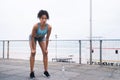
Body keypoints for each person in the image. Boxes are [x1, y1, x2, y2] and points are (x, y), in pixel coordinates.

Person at [29, 10, 52, 79]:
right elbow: (32, 37)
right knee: (33, 53)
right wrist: (33, 49)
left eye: (45, 18)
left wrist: (46, 49)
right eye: (42, 18)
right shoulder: (36, 26)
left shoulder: (49, 27)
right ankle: (32, 72)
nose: (44, 20)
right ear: (39, 18)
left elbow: (47, 38)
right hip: (33, 38)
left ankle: (45, 71)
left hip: (41, 38)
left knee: (45, 53)